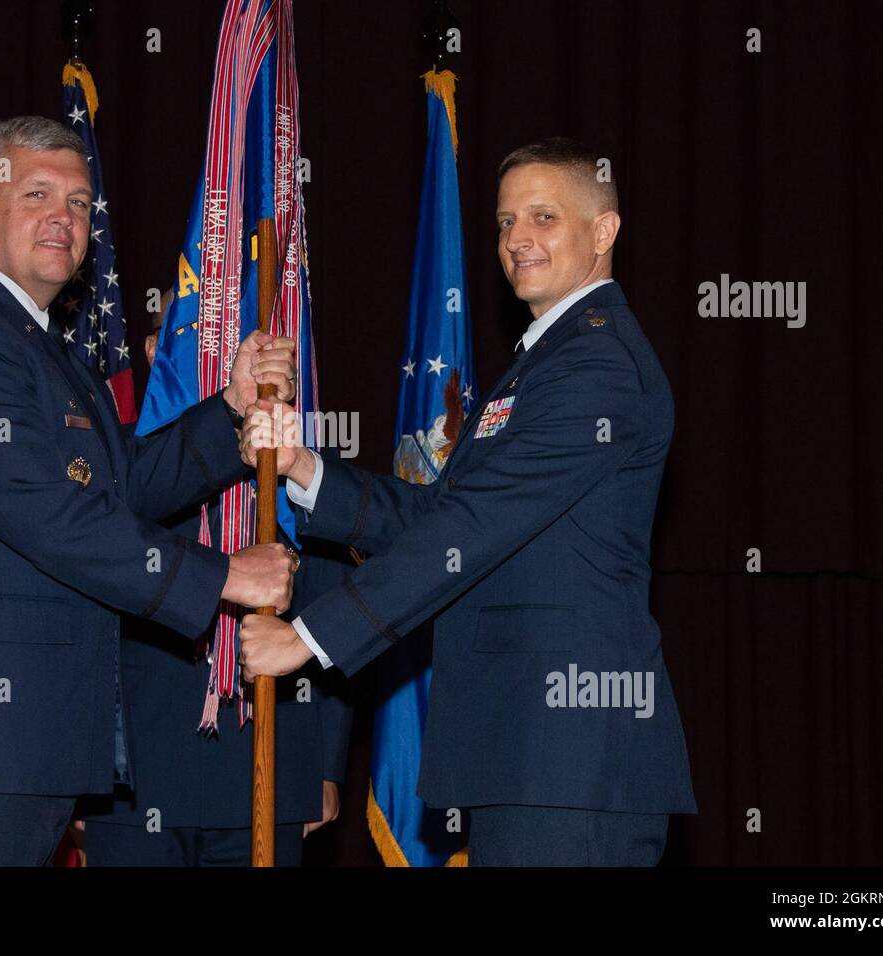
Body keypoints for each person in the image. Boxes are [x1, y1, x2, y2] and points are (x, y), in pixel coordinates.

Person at [0, 116, 299, 866]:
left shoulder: (36, 342)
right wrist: (223, 578)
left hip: (16, 748)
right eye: (36, 193)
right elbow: (47, 515)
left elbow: (118, 487)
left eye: (79, 203)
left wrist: (233, 410)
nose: (63, 217)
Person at [239, 137, 697, 866]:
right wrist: (304, 469)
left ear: (603, 232)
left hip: (568, 759)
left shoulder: (597, 363)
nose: (518, 239)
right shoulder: (542, 360)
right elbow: (445, 513)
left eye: (544, 218)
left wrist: (310, 641)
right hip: (526, 755)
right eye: (506, 221)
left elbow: (475, 523)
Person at [73, 292, 352, 866]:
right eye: (202, 343)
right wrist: (77, 761)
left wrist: (325, 766)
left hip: (268, 756)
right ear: (154, 352)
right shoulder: (115, 462)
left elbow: (335, 606)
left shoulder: (294, 457)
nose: (231, 362)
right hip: (136, 774)